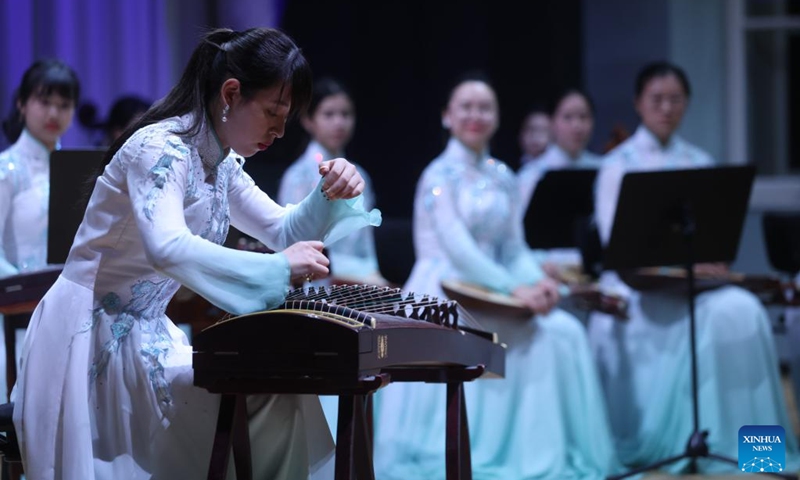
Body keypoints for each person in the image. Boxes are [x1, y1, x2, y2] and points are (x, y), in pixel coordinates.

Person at [11, 27, 381, 480]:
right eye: (272, 112)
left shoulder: (221, 162)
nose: (281, 131)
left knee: (280, 390)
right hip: (86, 340)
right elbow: (167, 246)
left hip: (147, 338)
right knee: (257, 395)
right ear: (230, 93)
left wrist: (328, 192)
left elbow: (283, 229)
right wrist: (277, 268)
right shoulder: (160, 147)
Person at [372, 74, 619, 480]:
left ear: (497, 117)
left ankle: (538, 452)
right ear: (447, 116)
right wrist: (514, 288)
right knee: (511, 336)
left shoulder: (503, 175)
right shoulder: (437, 176)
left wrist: (540, 284)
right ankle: (474, 453)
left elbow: (514, 248)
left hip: (498, 287)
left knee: (565, 331)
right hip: (445, 291)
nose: (475, 114)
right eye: (465, 106)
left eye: (484, 107)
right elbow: (460, 251)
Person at [590, 61, 800, 474]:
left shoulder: (699, 159)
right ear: (638, 104)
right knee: (727, 313)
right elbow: (620, 244)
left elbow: (717, 236)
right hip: (642, 293)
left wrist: (710, 261)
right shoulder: (617, 164)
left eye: (675, 100)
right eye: (657, 100)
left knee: (744, 311)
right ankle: (697, 439)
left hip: (695, 287)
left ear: (686, 104)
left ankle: (759, 453)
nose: (666, 108)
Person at [0, 59, 80, 404]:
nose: (54, 113)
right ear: (21, 103)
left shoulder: (80, 169)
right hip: (16, 311)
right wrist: (22, 289)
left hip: (68, 308)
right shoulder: (6, 170)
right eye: (44, 101)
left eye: (64, 105)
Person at [278, 77, 387, 286]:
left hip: (359, 282)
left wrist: (372, 275)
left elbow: (364, 242)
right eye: (328, 114)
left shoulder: (360, 174)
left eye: (345, 114)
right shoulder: (298, 175)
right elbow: (294, 240)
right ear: (308, 121)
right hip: (312, 282)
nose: (339, 122)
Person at [517, 89, 602, 278]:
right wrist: (540, 262)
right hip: (546, 274)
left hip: (594, 274)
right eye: (568, 117)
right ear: (552, 122)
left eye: (583, 117)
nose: (577, 126)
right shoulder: (532, 174)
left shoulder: (604, 169)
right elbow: (516, 237)